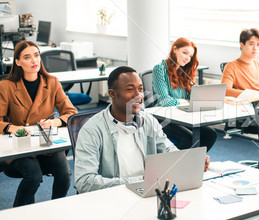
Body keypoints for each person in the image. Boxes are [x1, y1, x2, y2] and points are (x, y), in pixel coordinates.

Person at [74, 66, 210, 193]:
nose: (138, 95)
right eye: (130, 89)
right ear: (112, 94)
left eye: (140, 89)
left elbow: (169, 151)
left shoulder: (148, 121)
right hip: (114, 197)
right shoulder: (92, 130)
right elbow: (85, 182)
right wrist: (139, 182)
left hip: (148, 192)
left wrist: (190, 161)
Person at [0, 40, 76, 207]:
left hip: (45, 145)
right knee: (34, 176)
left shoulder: (52, 82)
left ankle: (54, 208)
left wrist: (55, 122)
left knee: (65, 174)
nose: (34, 60)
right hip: (20, 147)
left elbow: (71, 113)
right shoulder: (6, 86)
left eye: (36, 55)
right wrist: (12, 128)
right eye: (27, 57)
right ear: (18, 62)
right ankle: (16, 214)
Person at [152, 37, 217, 151]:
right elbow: (164, 101)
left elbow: (191, 99)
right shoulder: (159, 69)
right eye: (185, 53)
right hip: (162, 118)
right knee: (190, 138)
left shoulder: (184, 71)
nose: (187, 58)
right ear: (175, 49)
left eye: (190, 56)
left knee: (210, 134)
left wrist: (197, 95)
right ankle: (175, 162)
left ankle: (195, 161)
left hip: (181, 116)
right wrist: (183, 101)